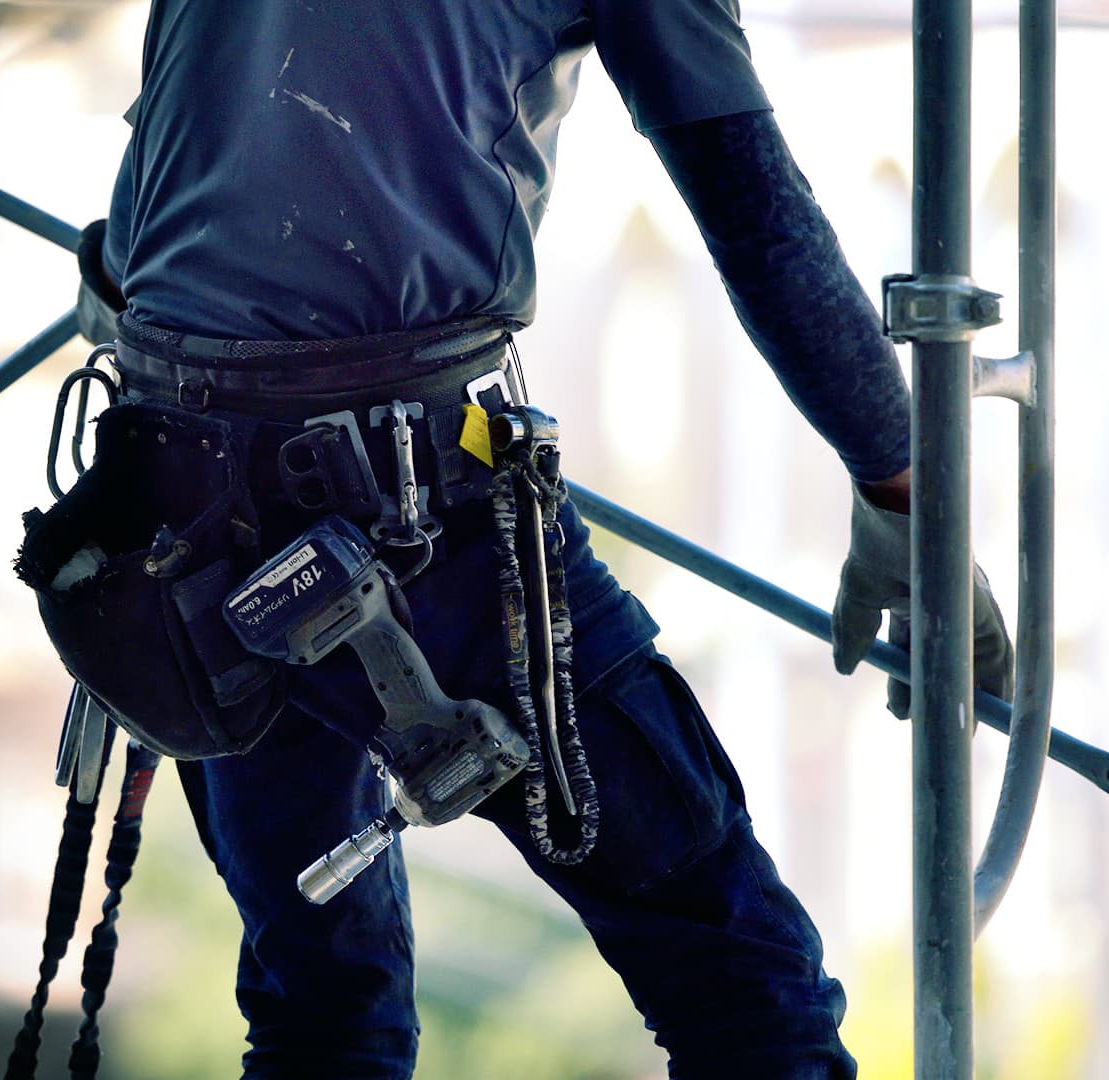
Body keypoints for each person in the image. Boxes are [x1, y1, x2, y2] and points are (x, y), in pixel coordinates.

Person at [54, 0, 1017, 1076]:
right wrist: (902, 494)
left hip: (183, 513)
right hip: (405, 496)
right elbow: (757, 221)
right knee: (740, 985)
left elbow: (154, 190)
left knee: (319, 1016)